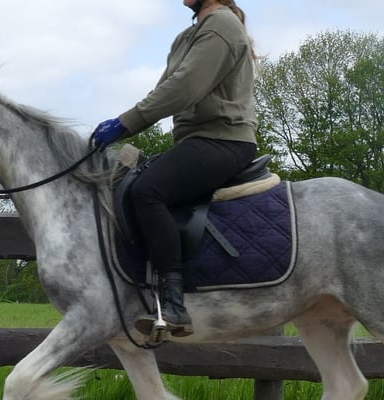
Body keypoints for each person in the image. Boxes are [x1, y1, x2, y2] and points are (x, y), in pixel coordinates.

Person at [91, 0, 258, 337]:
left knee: (147, 190)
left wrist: (124, 124)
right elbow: (165, 91)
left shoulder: (223, 26)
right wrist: (125, 124)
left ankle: (174, 303)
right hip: (196, 141)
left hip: (224, 140)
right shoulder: (187, 36)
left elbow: (184, 89)